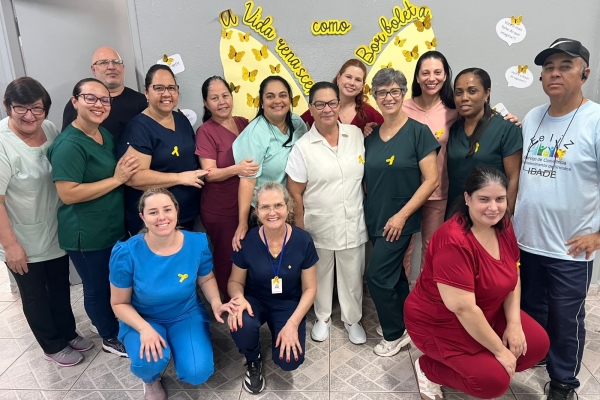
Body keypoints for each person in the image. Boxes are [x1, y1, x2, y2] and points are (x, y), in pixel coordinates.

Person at [405, 166, 549, 400]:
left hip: (486, 310)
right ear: (467, 198)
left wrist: (514, 324)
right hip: (440, 322)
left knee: (536, 345)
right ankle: (427, 369)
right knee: (492, 383)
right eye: (484, 199)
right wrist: (499, 351)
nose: (494, 207)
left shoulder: (503, 225)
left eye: (500, 199)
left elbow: (513, 273)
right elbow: (464, 309)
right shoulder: (453, 241)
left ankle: (479, 361)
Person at [514, 38, 600, 400]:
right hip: (526, 240)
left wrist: (599, 235)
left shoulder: (595, 121)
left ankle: (563, 382)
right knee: (530, 308)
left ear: (584, 74)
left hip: (570, 248)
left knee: (566, 319)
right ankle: (537, 352)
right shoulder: (533, 117)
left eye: (565, 66)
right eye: (548, 68)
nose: (554, 73)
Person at [110, 188, 237, 400]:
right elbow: (119, 303)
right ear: (142, 217)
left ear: (176, 211)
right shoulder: (127, 253)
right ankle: (150, 379)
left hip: (186, 313)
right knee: (148, 361)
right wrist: (144, 329)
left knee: (197, 372)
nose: (161, 217)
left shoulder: (197, 243)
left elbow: (206, 278)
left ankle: (178, 346)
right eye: (153, 212)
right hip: (144, 317)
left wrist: (216, 303)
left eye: (167, 209)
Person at [0, 77, 93, 367]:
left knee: (60, 286)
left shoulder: (50, 129)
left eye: (37, 108)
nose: (30, 116)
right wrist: (11, 246)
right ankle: (51, 345)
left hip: (55, 230)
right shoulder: (2, 143)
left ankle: (67, 332)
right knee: (35, 296)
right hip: (22, 238)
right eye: (21, 108)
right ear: (7, 106)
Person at [48, 77, 140, 357]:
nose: (99, 104)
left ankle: (115, 325)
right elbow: (68, 193)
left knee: (115, 282)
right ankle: (109, 336)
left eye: (104, 100)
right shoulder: (69, 145)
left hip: (110, 226)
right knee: (97, 287)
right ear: (75, 102)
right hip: (86, 233)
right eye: (90, 98)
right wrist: (117, 179)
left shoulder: (102, 134)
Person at [364, 68, 439, 357]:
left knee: (377, 277)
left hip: (399, 220)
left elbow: (431, 180)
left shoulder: (419, 132)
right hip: (375, 216)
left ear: (403, 93)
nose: (389, 97)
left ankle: (393, 334)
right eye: (382, 92)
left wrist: (402, 216)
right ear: (375, 96)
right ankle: (408, 323)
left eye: (395, 91)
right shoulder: (371, 136)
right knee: (394, 276)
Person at [286, 82, 368, 344]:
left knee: (353, 275)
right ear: (311, 108)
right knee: (319, 274)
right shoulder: (303, 147)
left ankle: (352, 319)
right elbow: (295, 192)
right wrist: (300, 230)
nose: (327, 109)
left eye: (332, 103)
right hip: (318, 225)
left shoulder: (356, 135)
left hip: (353, 220)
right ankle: (322, 317)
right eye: (319, 104)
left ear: (339, 105)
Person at [228, 182, 317, 394]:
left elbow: (310, 288)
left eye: (278, 205)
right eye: (265, 207)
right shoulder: (247, 241)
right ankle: (253, 358)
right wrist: (239, 298)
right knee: (239, 321)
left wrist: (292, 324)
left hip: (288, 302)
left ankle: (282, 330)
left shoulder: (303, 240)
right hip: (255, 300)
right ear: (257, 211)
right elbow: (234, 282)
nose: (272, 212)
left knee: (290, 360)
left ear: (288, 207)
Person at [118, 65, 206, 235]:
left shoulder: (182, 121)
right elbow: (134, 178)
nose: (166, 94)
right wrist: (180, 178)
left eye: (171, 88)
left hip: (185, 215)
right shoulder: (138, 128)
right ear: (146, 92)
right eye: (159, 88)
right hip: (154, 222)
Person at [195, 76, 258, 300]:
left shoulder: (243, 123)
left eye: (225, 96)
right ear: (206, 103)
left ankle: (246, 298)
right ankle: (230, 303)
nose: (222, 102)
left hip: (246, 204)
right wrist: (237, 168)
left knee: (247, 253)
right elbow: (208, 173)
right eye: (214, 98)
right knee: (227, 255)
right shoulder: (205, 131)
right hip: (220, 208)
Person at [232, 76, 307, 251]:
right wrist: (242, 222)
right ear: (262, 102)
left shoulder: (297, 124)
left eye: (283, 95)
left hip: (292, 206)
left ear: (290, 99)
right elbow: (247, 181)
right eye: (270, 96)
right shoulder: (255, 134)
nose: (277, 101)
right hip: (266, 212)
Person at [446, 68, 522, 218]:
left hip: (490, 216)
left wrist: (504, 216)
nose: (464, 98)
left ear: (487, 93)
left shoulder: (506, 129)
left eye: (472, 91)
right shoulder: (453, 129)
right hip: (456, 215)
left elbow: (514, 178)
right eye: (459, 92)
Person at [62, 46, 147, 142]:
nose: (111, 67)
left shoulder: (143, 102)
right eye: (103, 63)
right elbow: (69, 142)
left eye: (116, 62)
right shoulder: (80, 103)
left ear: (123, 68)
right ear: (94, 69)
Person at [300, 59, 383, 132]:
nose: (352, 83)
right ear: (338, 78)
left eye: (358, 80)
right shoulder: (319, 110)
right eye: (348, 77)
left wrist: (373, 136)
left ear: (362, 86)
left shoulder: (371, 116)